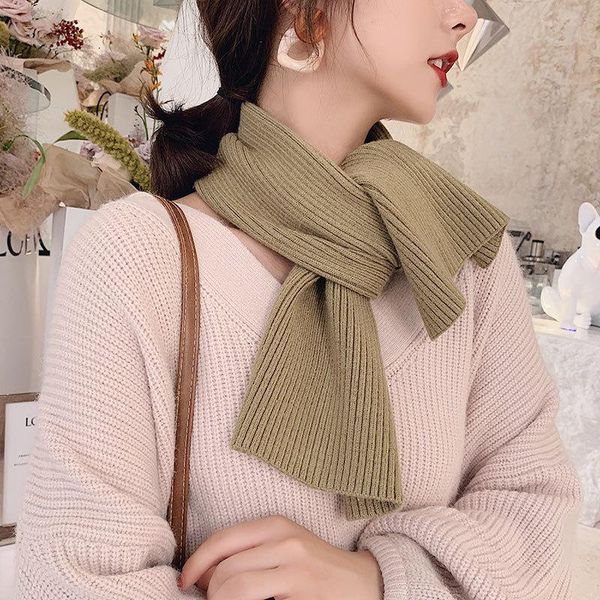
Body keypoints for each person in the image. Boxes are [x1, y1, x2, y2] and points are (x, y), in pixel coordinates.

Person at [15, 0, 583, 599]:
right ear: (304, 9)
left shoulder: (461, 254)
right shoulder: (138, 256)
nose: (464, 17)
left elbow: (538, 523)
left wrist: (377, 581)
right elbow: (70, 579)